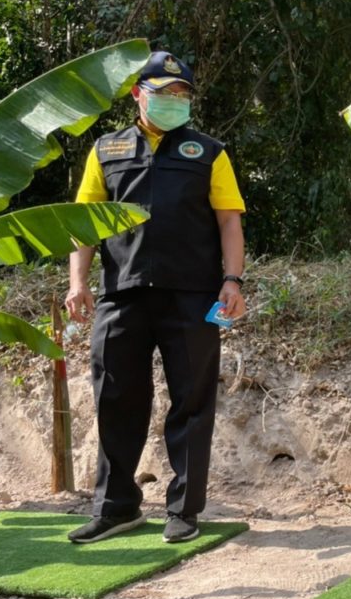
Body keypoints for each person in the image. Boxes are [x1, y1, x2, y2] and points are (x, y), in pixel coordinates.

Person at [64, 50, 246, 544]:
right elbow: (83, 227)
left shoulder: (209, 151)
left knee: (191, 402)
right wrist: (77, 283)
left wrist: (233, 281)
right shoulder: (106, 150)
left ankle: (184, 510)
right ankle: (117, 507)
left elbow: (229, 220)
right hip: (120, 295)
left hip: (192, 297)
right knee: (116, 398)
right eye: (165, 92)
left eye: (183, 94)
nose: (175, 101)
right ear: (137, 94)